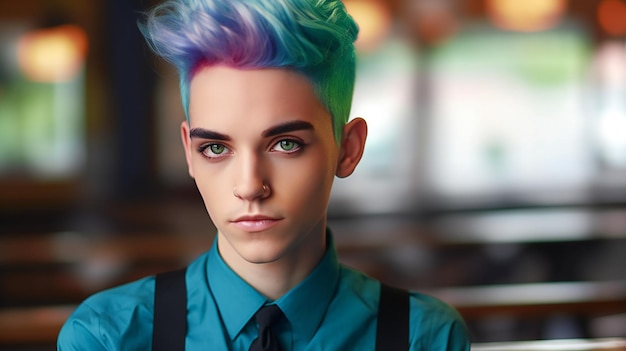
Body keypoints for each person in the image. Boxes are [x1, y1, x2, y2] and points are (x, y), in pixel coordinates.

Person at [57, 0, 471, 349]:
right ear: (189, 152)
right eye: (216, 148)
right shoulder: (106, 336)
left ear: (348, 149)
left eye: (285, 144)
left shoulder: (425, 337)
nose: (250, 185)